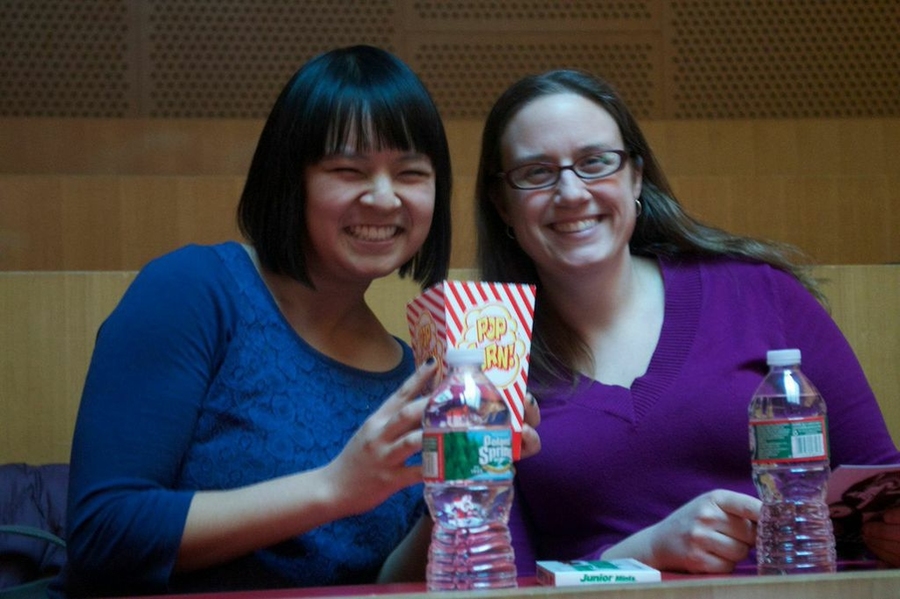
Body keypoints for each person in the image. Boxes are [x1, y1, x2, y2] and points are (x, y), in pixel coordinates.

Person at [55, 45, 539, 597]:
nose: (384, 198)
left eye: (411, 173)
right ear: (292, 181)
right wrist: (336, 487)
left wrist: (456, 492)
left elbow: (377, 583)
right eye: (347, 169)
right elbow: (103, 534)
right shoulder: (196, 291)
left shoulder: (412, 371)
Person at [473, 68, 900, 575]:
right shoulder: (488, 357)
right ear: (503, 203)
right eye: (536, 173)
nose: (571, 192)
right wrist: (642, 554)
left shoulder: (759, 293)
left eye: (595, 163)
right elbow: (499, 576)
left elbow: (877, 488)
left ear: (636, 176)